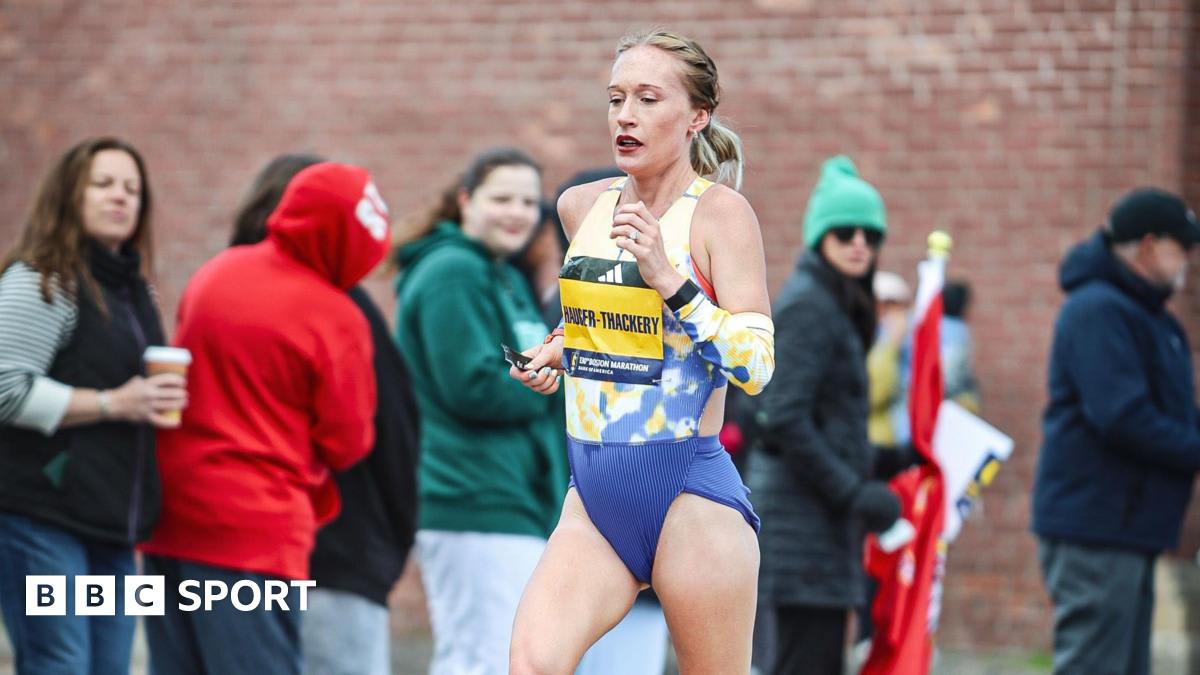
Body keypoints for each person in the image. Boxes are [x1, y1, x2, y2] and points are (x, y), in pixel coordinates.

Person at [509, 30, 775, 675]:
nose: (625, 116)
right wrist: (557, 351)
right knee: (532, 663)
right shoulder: (581, 207)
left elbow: (757, 367)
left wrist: (671, 277)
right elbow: (614, 330)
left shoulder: (721, 216)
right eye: (616, 98)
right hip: (595, 492)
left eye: (649, 99)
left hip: (689, 489)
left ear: (696, 117)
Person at [141, 161, 389, 674]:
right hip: (257, 532)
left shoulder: (216, 272)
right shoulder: (337, 316)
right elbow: (349, 442)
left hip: (171, 519)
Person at [226, 154, 421, 675]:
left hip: (237, 549)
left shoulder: (223, 287)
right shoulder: (339, 309)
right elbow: (378, 436)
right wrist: (390, 544)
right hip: (334, 552)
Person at [0, 137, 184, 674]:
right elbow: (4, 386)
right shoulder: (41, 280)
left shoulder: (138, 294)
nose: (120, 198)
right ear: (69, 195)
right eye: (103, 184)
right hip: (42, 520)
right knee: (61, 665)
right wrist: (113, 402)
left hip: (117, 528)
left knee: (111, 667)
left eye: (132, 189)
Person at [393, 147, 568, 675]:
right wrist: (557, 386)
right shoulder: (452, 272)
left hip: (509, 496)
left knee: (503, 656)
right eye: (501, 198)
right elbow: (473, 386)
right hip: (469, 497)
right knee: (484, 658)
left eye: (528, 202)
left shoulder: (500, 275)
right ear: (466, 200)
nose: (517, 212)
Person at [1033, 188, 1200, 675]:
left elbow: (1174, 412)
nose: (1187, 260)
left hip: (1131, 529)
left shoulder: (1152, 318)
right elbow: (1123, 418)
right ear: (1147, 246)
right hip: (1097, 530)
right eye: (1181, 246)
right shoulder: (1099, 311)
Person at [747, 155, 902, 675]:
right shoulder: (812, 305)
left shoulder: (837, 304)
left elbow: (825, 423)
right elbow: (782, 416)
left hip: (816, 529)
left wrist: (890, 459)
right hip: (800, 530)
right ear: (819, 239)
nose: (859, 242)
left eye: (870, 234)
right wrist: (852, 491)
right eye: (843, 232)